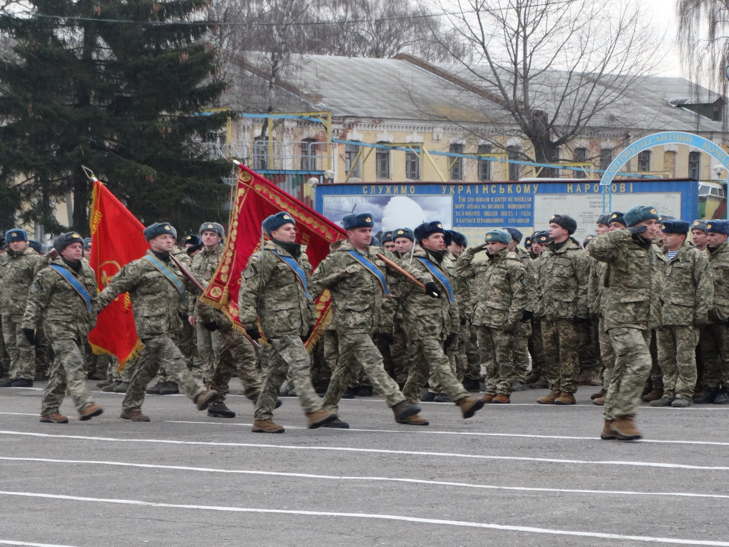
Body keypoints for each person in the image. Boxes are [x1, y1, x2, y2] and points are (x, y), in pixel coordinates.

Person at [310, 212, 431, 426]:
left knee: (345, 368)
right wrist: (303, 319)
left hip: (369, 323)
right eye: (362, 231)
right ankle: (398, 404)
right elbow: (312, 288)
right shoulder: (338, 258)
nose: (367, 235)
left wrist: (426, 281)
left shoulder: (378, 253)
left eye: (369, 230)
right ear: (349, 234)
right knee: (374, 360)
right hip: (349, 324)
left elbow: (403, 269)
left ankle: (326, 410)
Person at [95, 222, 219, 422]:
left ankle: (130, 407)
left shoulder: (179, 266)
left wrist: (221, 296)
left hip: (172, 326)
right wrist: (90, 313)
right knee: (174, 357)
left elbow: (199, 285)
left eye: (171, 237)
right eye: (164, 237)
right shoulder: (139, 267)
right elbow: (111, 291)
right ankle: (197, 393)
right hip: (151, 326)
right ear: (152, 241)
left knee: (146, 369)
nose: (169, 240)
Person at [237, 212, 336, 432]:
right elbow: (249, 292)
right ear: (273, 233)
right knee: (301, 361)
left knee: (276, 372)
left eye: (293, 228)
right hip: (277, 322)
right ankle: (313, 410)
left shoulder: (300, 256)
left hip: (296, 322)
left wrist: (310, 319)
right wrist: (249, 322)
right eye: (286, 228)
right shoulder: (264, 258)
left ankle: (262, 418)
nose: (292, 231)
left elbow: (306, 292)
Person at [398, 221, 485, 420]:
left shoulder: (445, 261)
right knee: (439, 361)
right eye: (436, 237)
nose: (442, 240)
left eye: (442, 236)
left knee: (419, 368)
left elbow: (450, 297)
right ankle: (462, 400)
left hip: (441, 322)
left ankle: (405, 408)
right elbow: (397, 296)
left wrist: (454, 325)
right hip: (420, 323)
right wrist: (388, 324)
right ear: (424, 241)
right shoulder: (411, 263)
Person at [589, 205, 663, 440]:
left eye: (655, 223)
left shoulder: (653, 250)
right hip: (621, 318)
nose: (653, 228)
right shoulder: (620, 246)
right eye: (648, 224)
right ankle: (625, 417)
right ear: (636, 226)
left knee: (621, 372)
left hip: (644, 319)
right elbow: (594, 247)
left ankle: (610, 423)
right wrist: (626, 232)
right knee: (641, 363)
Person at [22, 232, 103, 423]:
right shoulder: (49, 273)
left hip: (80, 327)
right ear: (61, 251)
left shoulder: (87, 270)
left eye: (79, 246)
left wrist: (93, 319)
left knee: (61, 370)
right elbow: (35, 300)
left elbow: (92, 298)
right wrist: (28, 325)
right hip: (58, 327)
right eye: (72, 247)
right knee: (74, 363)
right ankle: (85, 404)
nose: (78, 250)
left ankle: (49, 411)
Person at [457, 229, 527, 403]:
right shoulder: (483, 265)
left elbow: (520, 296)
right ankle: (491, 388)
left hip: (501, 320)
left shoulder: (513, 265)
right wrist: (472, 251)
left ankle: (504, 390)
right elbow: (459, 270)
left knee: (503, 356)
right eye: (488, 243)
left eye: (493, 243)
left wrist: (513, 319)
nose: (490, 246)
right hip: (482, 318)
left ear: (504, 244)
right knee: (487, 357)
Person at [651, 219, 712, 408]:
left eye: (669, 235)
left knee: (685, 357)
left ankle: (684, 393)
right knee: (665, 358)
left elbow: (704, 286)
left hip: (685, 316)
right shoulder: (658, 255)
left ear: (681, 237)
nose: (665, 237)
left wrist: (701, 313)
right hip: (662, 316)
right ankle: (668, 391)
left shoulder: (695, 256)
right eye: (664, 234)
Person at [535, 215, 589, 405]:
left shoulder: (577, 254)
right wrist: (538, 307)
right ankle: (554, 388)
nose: (550, 229)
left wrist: (581, 311)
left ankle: (567, 390)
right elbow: (540, 284)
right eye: (550, 225)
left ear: (565, 231)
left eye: (555, 226)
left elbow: (584, 284)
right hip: (547, 312)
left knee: (568, 353)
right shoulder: (547, 253)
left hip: (568, 313)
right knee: (549, 352)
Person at [0, 228, 43, 388]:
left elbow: (39, 284)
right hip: (6, 309)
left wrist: (34, 307)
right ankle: (15, 373)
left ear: (26, 242)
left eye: (18, 241)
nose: (15, 244)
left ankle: (26, 375)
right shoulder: (5, 259)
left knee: (23, 343)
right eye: (12, 241)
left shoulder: (33, 259)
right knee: (10, 343)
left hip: (25, 309)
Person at [694, 220, 729, 404]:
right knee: (708, 354)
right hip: (707, 314)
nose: (709, 238)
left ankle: (727, 387)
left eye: (713, 235)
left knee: (726, 353)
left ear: (725, 236)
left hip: (725, 314)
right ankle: (712, 386)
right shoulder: (703, 256)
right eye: (708, 235)